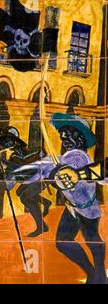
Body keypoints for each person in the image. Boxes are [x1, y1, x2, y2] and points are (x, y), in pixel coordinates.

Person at [9, 113, 106, 284]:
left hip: (87, 209)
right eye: (63, 134)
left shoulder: (77, 156)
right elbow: (43, 167)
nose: (64, 137)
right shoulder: (62, 158)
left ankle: (98, 274)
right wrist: (19, 172)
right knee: (63, 242)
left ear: (81, 137)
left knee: (92, 240)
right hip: (72, 208)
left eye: (69, 133)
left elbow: (74, 167)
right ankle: (93, 272)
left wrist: (60, 172)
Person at [0, 126, 52, 237]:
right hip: (30, 179)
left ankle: (41, 226)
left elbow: (44, 161)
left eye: (8, 142)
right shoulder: (14, 157)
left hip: (41, 178)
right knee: (19, 192)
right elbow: (13, 174)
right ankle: (45, 202)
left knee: (26, 197)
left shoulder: (33, 151)